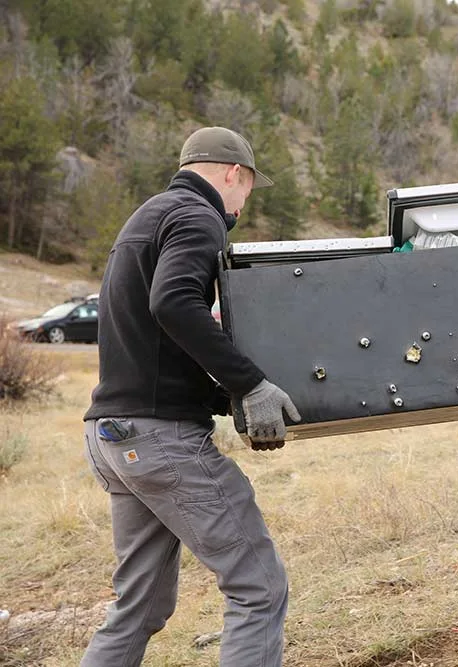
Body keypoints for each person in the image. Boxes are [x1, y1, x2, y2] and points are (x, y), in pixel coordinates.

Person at [80, 126, 301, 667]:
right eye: (248, 190)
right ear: (235, 174)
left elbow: (153, 333)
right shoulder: (198, 217)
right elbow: (174, 304)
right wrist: (250, 383)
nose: (243, 205)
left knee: (141, 605)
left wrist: (222, 396)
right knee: (259, 586)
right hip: (160, 440)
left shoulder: (148, 216)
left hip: (111, 435)